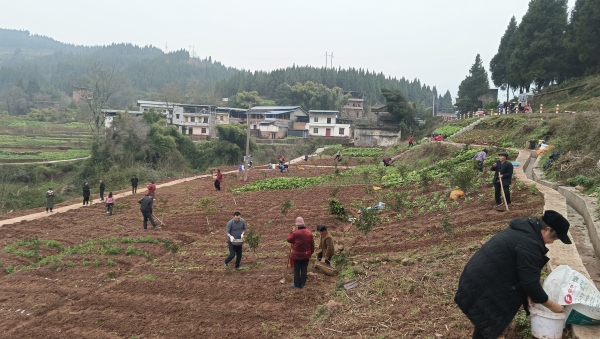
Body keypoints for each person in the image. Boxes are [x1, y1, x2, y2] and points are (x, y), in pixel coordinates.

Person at [455, 210, 570, 338]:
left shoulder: (526, 229)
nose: (553, 241)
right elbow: (530, 283)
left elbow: (525, 275)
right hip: (483, 283)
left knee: (484, 322)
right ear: (547, 230)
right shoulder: (530, 244)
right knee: (488, 320)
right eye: (555, 237)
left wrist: (530, 298)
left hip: (477, 277)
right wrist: (551, 305)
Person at [287, 217, 315, 289]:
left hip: (297, 255)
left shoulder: (295, 233)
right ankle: (303, 284)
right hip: (306, 254)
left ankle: (297, 284)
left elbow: (289, 239)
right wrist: (310, 253)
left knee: (296, 269)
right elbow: (312, 244)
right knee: (304, 269)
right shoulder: (309, 233)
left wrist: (292, 232)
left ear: (297, 225)